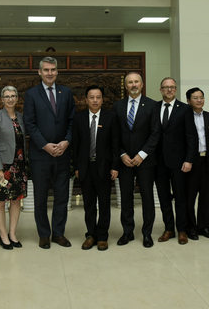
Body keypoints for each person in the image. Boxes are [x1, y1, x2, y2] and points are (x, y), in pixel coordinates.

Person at [23, 56, 75, 249]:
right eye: (46, 70)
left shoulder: (66, 92)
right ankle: (44, 234)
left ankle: (58, 233)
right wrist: (45, 145)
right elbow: (30, 123)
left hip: (63, 153)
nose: (50, 73)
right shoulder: (31, 94)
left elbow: (72, 121)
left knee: (62, 196)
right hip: (40, 155)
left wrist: (66, 141)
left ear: (57, 71)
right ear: (39, 72)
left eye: (53, 69)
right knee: (40, 197)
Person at [113, 72, 160, 248]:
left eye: (136, 82)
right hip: (124, 161)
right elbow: (114, 135)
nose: (133, 85)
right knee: (126, 198)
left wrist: (142, 154)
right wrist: (122, 154)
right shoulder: (117, 106)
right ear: (126, 86)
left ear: (142, 84)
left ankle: (147, 233)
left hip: (145, 161)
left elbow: (155, 133)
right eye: (130, 82)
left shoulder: (153, 105)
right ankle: (127, 232)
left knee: (147, 198)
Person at [71, 85, 119, 251]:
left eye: (98, 97)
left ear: (102, 99)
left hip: (104, 168)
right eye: (91, 97)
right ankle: (91, 234)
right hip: (85, 168)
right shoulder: (79, 118)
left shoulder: (110, 117)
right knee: (89, 204)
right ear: (86, 100)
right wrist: (76, 167)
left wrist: (115, 166)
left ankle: (103, 236)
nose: (95, 100)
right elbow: (75, 145)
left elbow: (115, 144)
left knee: (104, 204)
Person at [154, 77, 197, 245]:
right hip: (158, 163)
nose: (169, 90)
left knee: (180, 197)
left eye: (172, 87)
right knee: (164, 197)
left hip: (179, 162)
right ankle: (169, 229)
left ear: (176, 89)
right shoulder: (154, 107)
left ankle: (182, 230)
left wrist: (189, 159)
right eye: (166, 87)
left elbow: (191, 136)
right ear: (161, 90)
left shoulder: (185, 109)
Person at [0, 85, 27, 250]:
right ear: (2, 99)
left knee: (16, 201)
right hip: (3, 167)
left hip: (19, 166)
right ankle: (3, 235)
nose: (10, 99)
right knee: (0, 202)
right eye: (7, 96)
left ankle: (12, 234)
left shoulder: (21, 117)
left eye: (13, 96)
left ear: (17, 98)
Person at [185, 87, 209, 240]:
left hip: (208, 161)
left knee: (206, 197)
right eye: (195, 98)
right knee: (190, 197)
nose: (199, 100)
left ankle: (204, 227)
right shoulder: (185, 117)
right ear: (188, 101)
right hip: (191, 163)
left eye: (201, 97)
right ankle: (191, 228)